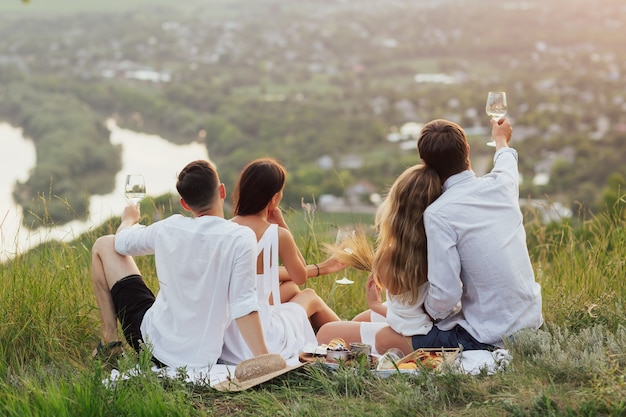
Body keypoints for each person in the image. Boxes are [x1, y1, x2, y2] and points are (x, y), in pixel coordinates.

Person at [376, 118, 543, 355]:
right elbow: (506, 159)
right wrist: (500, 138)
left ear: (425, 163)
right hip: (531, 324)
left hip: (491, 337)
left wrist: (428, 313)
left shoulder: (438, 214)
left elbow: (446, 295)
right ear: (467, 150)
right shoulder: (502, 185)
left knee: (385, 338)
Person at [90, 160, 268, 369]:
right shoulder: (241, 238)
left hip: (150, 343)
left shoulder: (170, 227)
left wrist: (129, 220)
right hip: (201, 358)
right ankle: (111, 345)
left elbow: (120, 243)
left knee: (104, 244)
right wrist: (265, 359)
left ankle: (110, 342)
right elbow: (244, 304)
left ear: (185, 204)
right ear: (222, 191)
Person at [221, 158, 341, 365]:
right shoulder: (276, 234)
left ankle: (338, 335)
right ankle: (345, 338)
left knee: (290, 288)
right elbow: (300, 275)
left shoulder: (224, 228)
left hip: (229, 336)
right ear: (274, 198)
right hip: (262, 337)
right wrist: (283, 226)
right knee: (309, 295)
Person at [316, 164, 442, 354]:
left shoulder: (391, 256)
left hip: (415, 329)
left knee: (326, 333)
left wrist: (375, 304)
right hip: (424, 319)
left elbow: (411, 319)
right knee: (358, 321)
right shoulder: (440, 246)